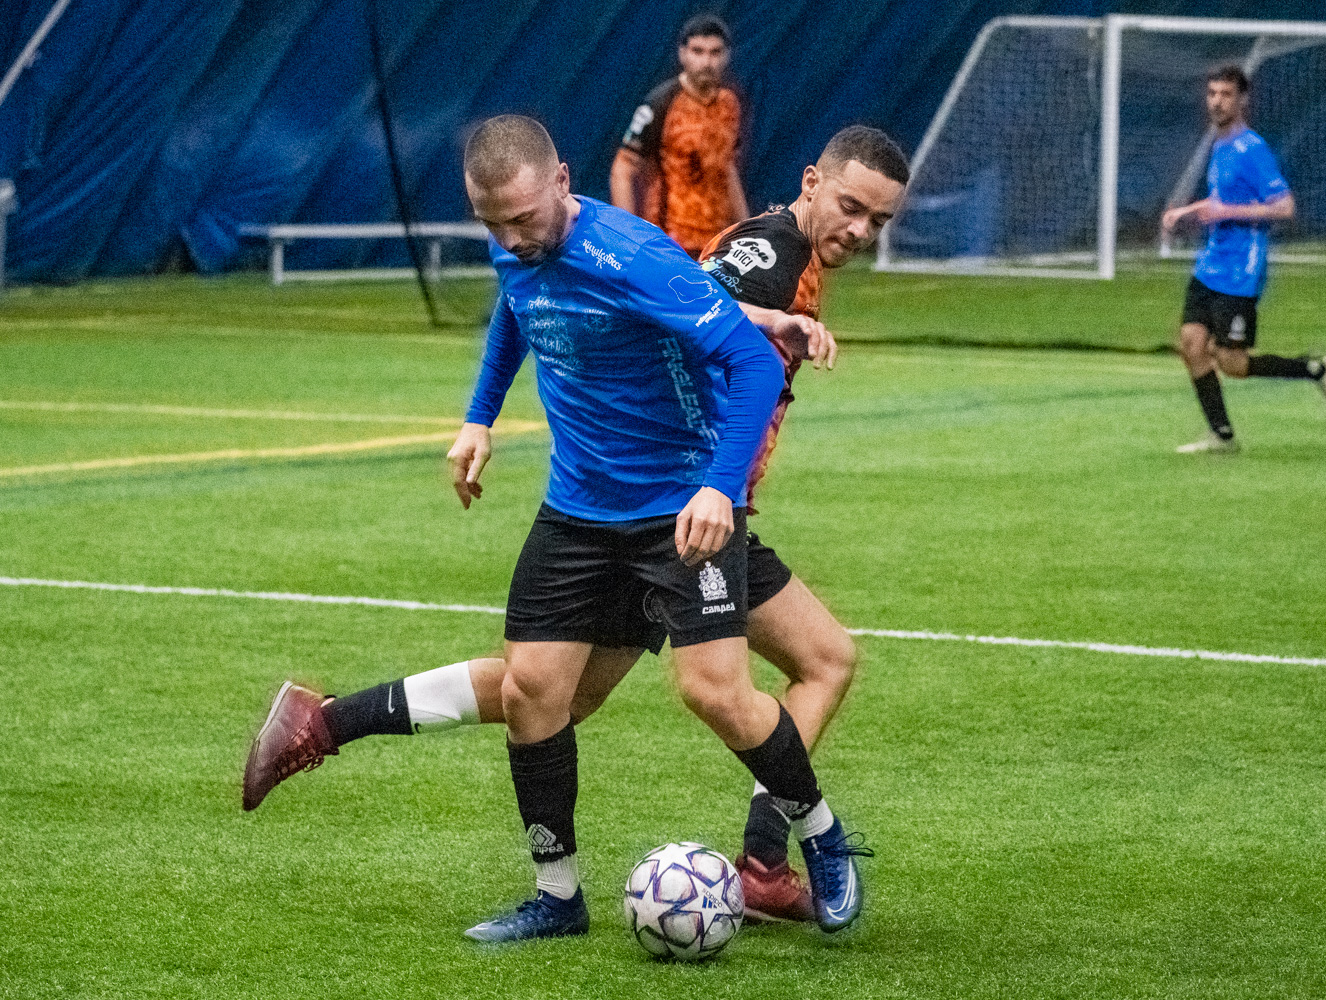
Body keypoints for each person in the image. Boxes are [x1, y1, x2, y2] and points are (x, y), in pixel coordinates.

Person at [244, 115, 870, 943]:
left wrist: (719, 488)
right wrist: (478, 419)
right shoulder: (518, 242)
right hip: (577, 514)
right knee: (540, 695)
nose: (511, 238)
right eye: (493, 224)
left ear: (563, 182)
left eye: (524, 220)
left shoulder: (631, 254)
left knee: (713, 689)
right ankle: (557, 897)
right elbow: (516, 306)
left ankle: (821, 839)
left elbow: (749, 365)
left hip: (677, 514)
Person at [1161, 65, 1326, 454]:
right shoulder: (1219, 146)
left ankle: (1317, 369)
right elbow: (1221, 200)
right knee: (1192, 344)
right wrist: (1187, 211)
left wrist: (1227, 213)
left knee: (1233, 363)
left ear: (1242, 100)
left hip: (1241, 271)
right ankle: (1222, 436)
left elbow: (1284, 208)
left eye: (1226, 94)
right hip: (1211, 263)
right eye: (1212, 93)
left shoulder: (1253, 149)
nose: (1216, 101)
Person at [610, 13, 749, 257]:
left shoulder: (730, 105)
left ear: (727, 56)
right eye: (698, 51)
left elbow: (727, 168)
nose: (707, 62)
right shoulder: (661, 103)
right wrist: (628, 233)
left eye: (715, 52)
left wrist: (747, 229)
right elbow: (623, 166)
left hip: (717, 241)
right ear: (682, 54)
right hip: (671, 240)